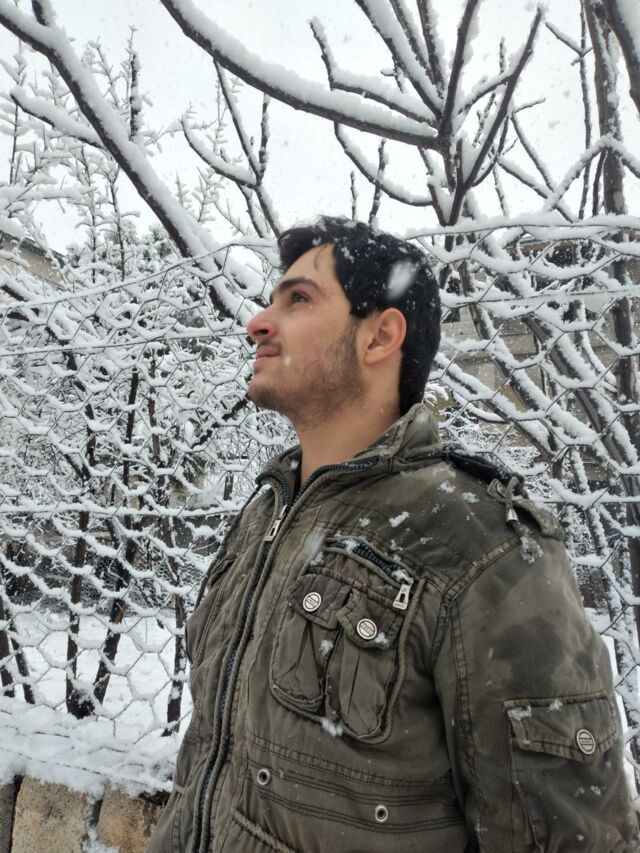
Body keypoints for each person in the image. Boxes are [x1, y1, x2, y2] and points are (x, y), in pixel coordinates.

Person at [148, 217, 639, 853]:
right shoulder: (267, 510)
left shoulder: (480, 543)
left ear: (380, 336)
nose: (257, 323)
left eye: (298, 299)